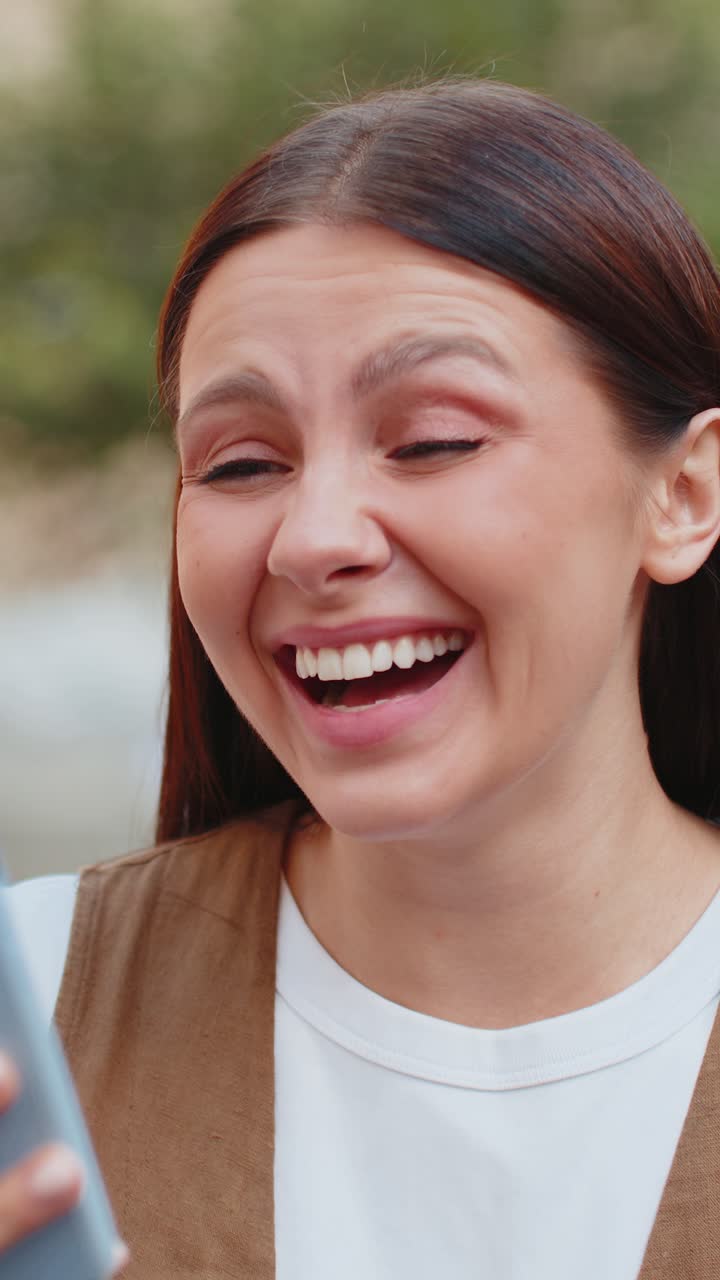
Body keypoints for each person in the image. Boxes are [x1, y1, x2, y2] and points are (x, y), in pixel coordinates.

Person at [3, 77, 720, 1278]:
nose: (314, 535)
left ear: (685, 492)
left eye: (436, 438)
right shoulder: (34, 1006)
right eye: (240, 464)